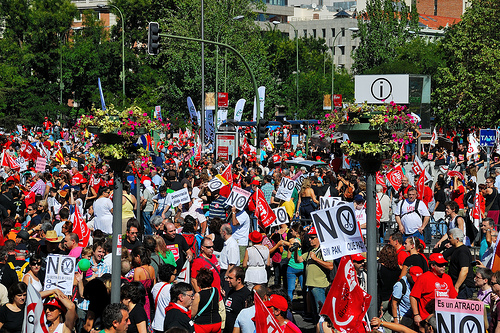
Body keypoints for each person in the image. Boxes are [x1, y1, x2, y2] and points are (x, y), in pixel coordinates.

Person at [293, 227, 334, 316]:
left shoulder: (324, 251)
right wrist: (296, 250)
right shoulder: (311, 251)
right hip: (312, 285)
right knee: (316, 312)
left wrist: (315, 259)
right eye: (309, 237)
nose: (309, 239)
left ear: (319, 238)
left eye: (312, 238)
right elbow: (298, 260)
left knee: (321, 312)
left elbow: (330, 266)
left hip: (319, 285)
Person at [410, 253, 457, 327]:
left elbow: (453, 298)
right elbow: (413, 296)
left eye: (444, 264)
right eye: (440, 265)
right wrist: (416, 315)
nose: (444, 267)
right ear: (432, 266)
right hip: (427, 319)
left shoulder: (447, 278)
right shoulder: (423, 278)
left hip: (445, 318)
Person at [446, 228, 475, 299]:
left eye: (450, 238)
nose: (448, 239)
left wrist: (457, 286)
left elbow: (464, 270)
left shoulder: (462, 251)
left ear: (457, 239)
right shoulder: (456, 250)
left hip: (463, 288)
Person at [191, 267, 222, 333]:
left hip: (203, 324)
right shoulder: (215, 290)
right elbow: (217, 305)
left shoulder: (198, 295)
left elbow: (193, 313)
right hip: (216, 322)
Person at [224, 266, 251, 333]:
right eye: (228, 278)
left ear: (239, 280)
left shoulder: (246, 294)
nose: (228, 280)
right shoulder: (231, 291)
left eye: (231, 278)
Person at [151, 264, 177, 333]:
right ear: (169, 275)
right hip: (167, 323)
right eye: (174, 274)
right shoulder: (171, 289)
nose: (175, 277)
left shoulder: (156, 287)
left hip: (157, 323)